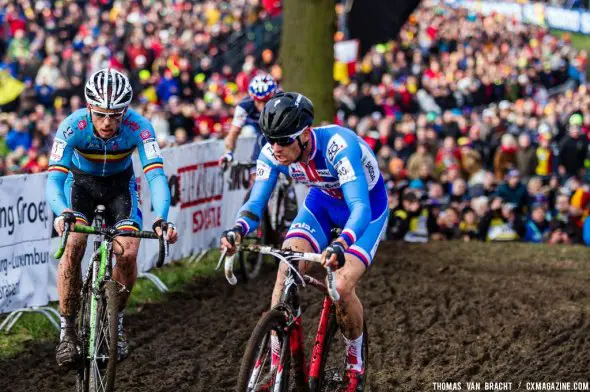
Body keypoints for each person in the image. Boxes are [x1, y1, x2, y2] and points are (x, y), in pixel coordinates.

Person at [220, 92, 388, 391]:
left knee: (341, 285)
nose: (276, 148)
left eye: (284, 140)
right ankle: (274, 365)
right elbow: (256, 201)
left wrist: (341, 244)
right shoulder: (272, 152)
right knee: (286, 269)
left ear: (306, 135)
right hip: (320, 206)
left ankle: (354, 363)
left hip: (365, 211)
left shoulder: (339, 147)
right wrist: (237, 230)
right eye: (271, 139)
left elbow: (360, 207)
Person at [46, 68, 179, 369]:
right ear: (90, 108)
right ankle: (67, 330)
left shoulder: (140, 127)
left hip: (121, 188)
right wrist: (61, 213)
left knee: (129, 252)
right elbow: (54, 180)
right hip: (79, 186)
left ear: (125, 112)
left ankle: (115, 322)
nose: (108, 122)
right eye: (102, 114)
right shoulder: (71, 127)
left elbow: (156, 176)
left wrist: (162, 218)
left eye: (116, 115)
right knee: (74, 242)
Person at [219, 73, 278, 170]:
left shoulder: (280, 101)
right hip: (261, 132)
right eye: (258, 101)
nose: (262, 107)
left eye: (266, 101)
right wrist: (228, 153)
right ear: (252, 97)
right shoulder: (244, 106)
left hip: (278, 132)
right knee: (256, 163)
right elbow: (233, 133)